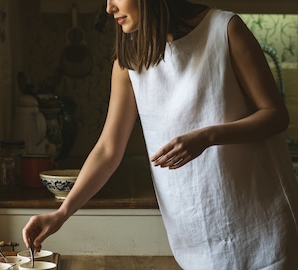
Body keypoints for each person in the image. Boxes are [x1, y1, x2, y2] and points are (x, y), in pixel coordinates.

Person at [22, 0, 298, 269]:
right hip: (196, 238)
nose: (108, 7)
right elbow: (108, 149)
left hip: (264, 232)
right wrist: (61, 214)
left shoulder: (225, 29)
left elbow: (275, 115)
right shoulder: (128, 61)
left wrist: (207, 137)